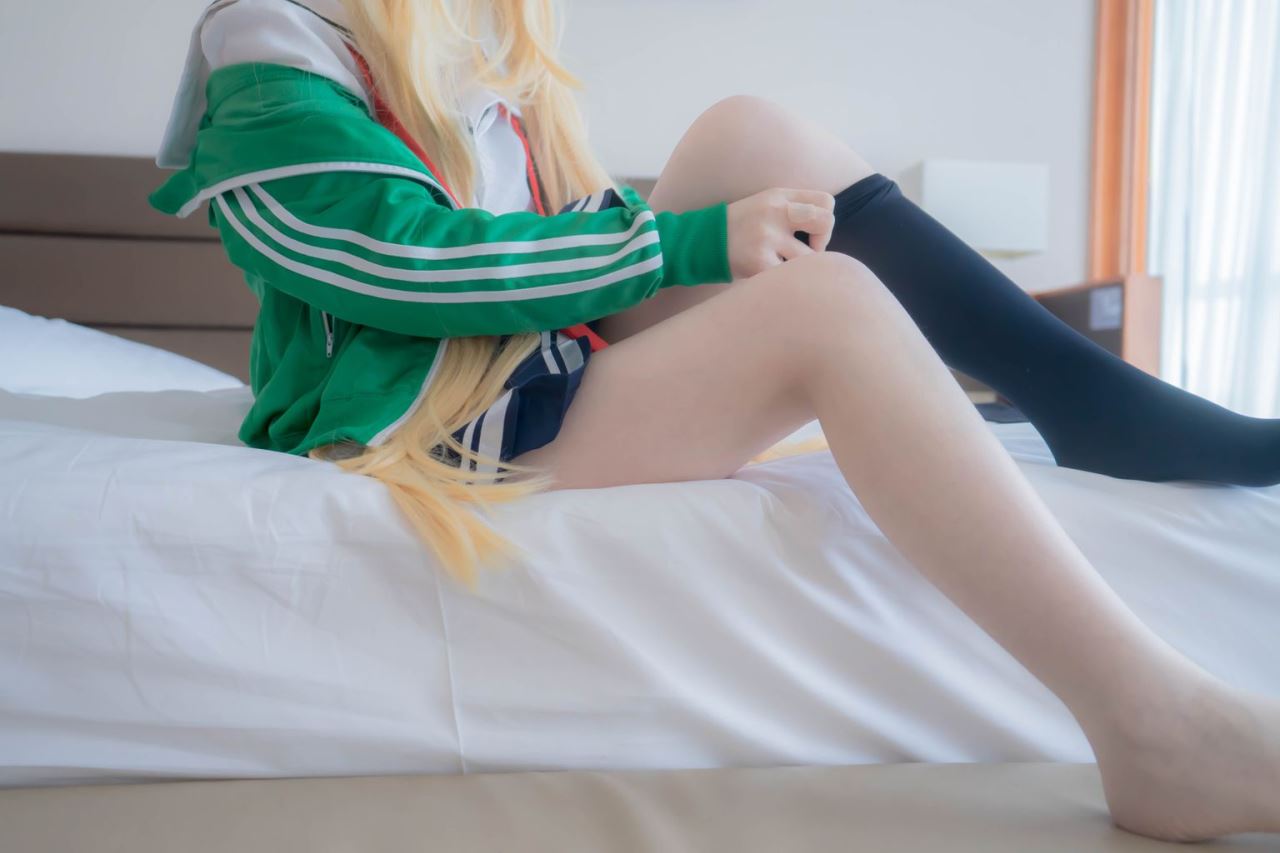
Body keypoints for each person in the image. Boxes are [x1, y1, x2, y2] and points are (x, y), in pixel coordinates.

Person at [151, 0, 1280, 842]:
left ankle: (1091, 406)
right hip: (429, 409)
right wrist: (686, 245)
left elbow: (513, 228)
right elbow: (398, 263)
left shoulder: (434, 30)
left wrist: (673, 237)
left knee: (750, 133)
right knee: (827, 309)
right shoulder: (270, 52)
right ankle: (1151, 723)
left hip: (514, 351)